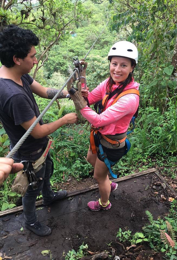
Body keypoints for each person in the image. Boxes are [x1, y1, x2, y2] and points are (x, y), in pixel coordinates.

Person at [0, 25, 78, 236]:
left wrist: (69, 94)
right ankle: (31, 221)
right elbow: (37, 131)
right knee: (32, 188)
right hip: (29, 152)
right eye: (32, 56)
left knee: (46, 173)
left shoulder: (17, 74)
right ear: (17, 58)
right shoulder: (13, 95)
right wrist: (64, 120)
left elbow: (44, 91)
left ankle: (49, 196)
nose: (36, 60)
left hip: (38, 148)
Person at [68, 41, 140, 212]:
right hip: (100, 137)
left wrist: (79, 103)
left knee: (98, 177)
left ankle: (104, 203)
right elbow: (90, 99)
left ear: (132, 68)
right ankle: (107, 181)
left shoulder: (129, 98)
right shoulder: (109, 83)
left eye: (124, 65)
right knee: (91, 159)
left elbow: (98, 120)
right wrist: (82, 79)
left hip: (112, 144)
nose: (117, 69)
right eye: (114, 64)